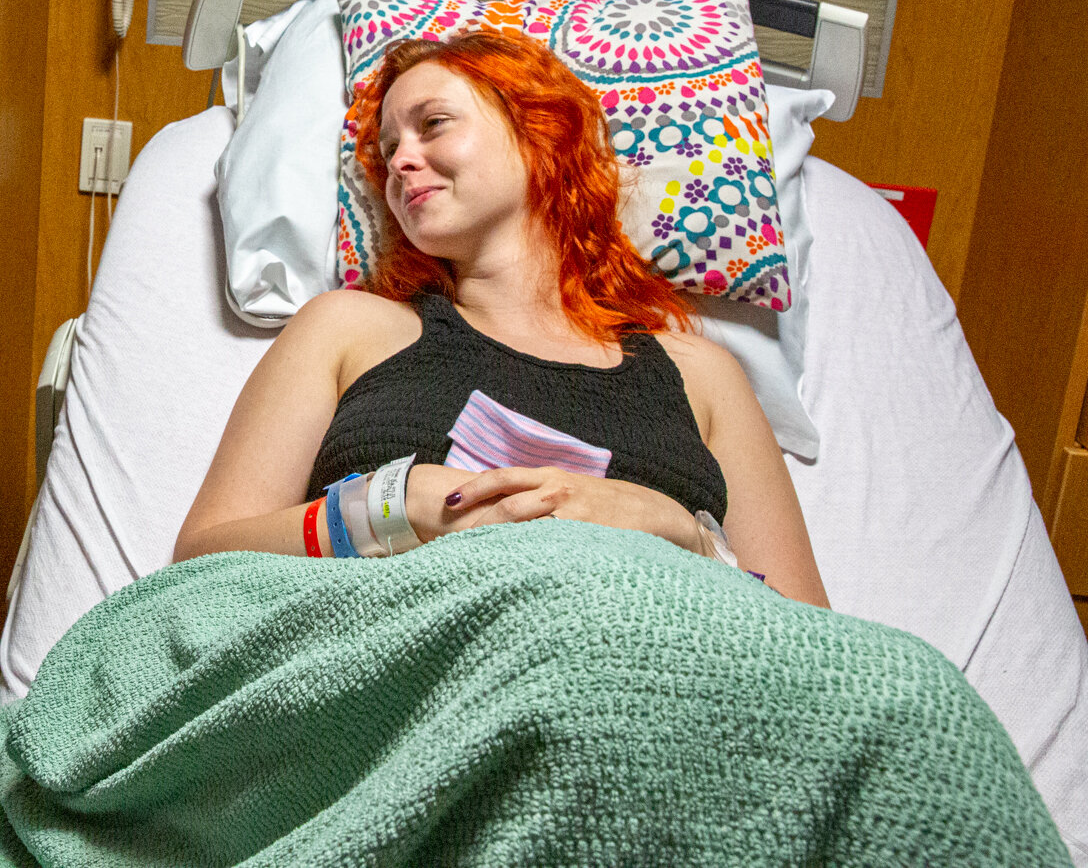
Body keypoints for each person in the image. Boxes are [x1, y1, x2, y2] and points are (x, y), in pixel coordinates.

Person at [173, 30, 829, 608]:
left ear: (538, 130)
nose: (400, 161)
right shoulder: (348, 330)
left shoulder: (700, 375)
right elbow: (198, 565)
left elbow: (814, 643)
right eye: (390, 146)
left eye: (432, 124)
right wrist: (389, 505)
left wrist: (681, 533)